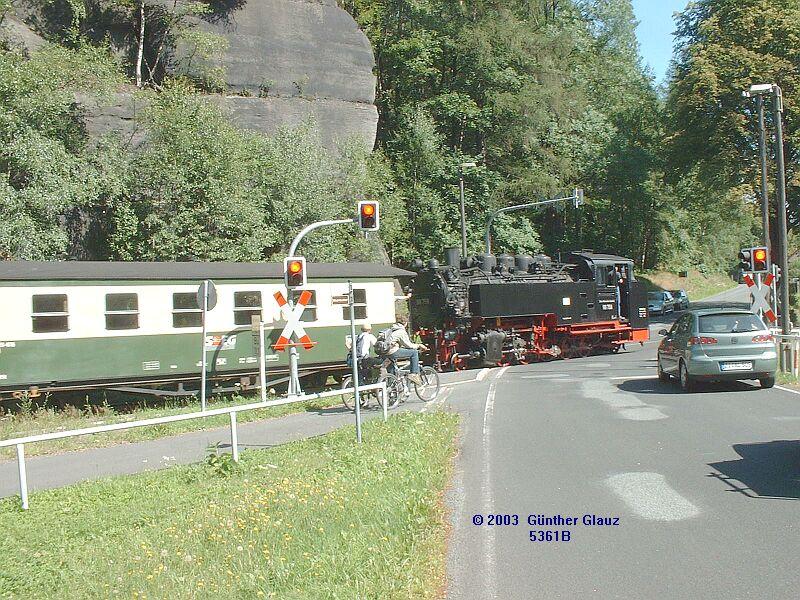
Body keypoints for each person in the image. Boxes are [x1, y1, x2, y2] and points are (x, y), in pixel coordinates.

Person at [385, 315, 428, 384]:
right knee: (414, 352)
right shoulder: (401, 331)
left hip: (385, 351)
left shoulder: (391, 329)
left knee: (392, 369)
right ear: (405, 323)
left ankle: (391, 387)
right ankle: (413, 374)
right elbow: (409, 345)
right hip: (392, 351)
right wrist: (419, 345)